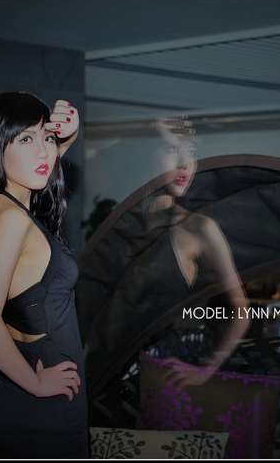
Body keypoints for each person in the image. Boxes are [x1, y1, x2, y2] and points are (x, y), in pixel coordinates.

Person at [0, 92, 89, 458]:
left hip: (24, 401)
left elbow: (39, 163)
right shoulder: (12, 220)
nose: (44, 152)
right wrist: (36, 383)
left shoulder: (0, 205)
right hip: (40, 413)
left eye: (46, 138)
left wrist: (66, 136)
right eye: (26, 139)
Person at [84, 116, 250, 400]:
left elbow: (241, 310)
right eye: (172, 149)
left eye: (191, 151)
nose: (185, 163)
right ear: (146, 156)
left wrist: (206, 369)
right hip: (107, 370)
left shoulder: (199, 228)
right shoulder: (119, 225)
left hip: (167, 374)